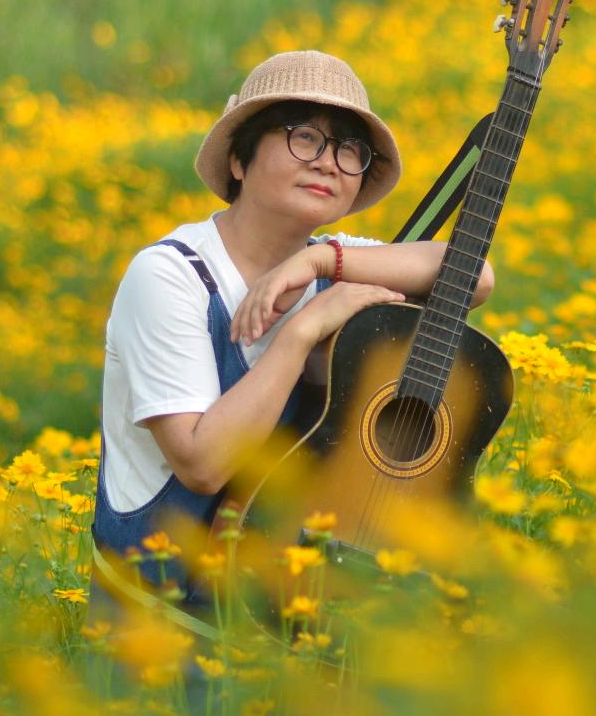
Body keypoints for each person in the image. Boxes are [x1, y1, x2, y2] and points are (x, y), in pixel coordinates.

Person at [89, 50, 495, 620]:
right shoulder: (170, 276)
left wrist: (318, 264)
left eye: (350, 149)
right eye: (305, 137)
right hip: (160, 621)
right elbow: (203, 465)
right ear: (238, 159)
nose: (330, 163)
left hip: (281, 613)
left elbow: (475, 275)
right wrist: (303, 329)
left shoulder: (334, 258)